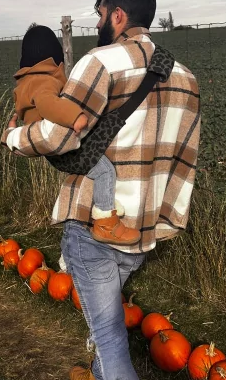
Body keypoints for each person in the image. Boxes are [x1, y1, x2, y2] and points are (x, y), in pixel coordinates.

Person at [2, 0, 200, 380]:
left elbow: (60, 134)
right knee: (106, 313)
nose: (94, 23)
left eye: (98, 12)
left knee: (112, 339)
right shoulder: (185, 77)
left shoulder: (99, 63)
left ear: (116, 14)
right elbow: (184, 162)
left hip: (95, 226)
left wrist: (15, 137)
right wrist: (161, 220)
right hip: (144, 230)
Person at [13, 25, 141, 244]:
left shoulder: (26, 82)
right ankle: (105, 223)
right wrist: (75, 117)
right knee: (104, 171)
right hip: (61, 147)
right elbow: (48, 104)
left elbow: (27, 111)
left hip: (48, 148)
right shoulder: (45, 81)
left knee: (99, 166)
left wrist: (12, 130)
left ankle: (105, 203)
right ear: (56, 61)